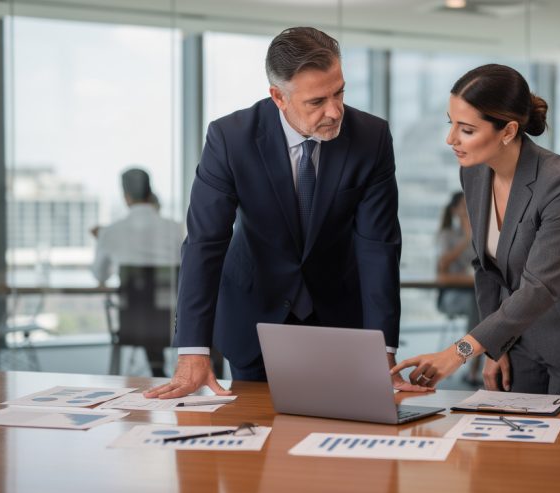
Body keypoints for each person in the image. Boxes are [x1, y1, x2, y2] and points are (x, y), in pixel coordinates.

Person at [146, 27, 428, 400]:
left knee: (341, 430)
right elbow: (205, 243)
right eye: (317, 101)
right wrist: (193, 349)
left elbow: (378, 247)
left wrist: (383, 350)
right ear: (279, 97)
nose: (335, 111)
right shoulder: (231, 138)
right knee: (253, 429)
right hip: (253, 316)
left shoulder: (370, 137)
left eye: (339, 93)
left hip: (339, 318)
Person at [392, 64, 560, 397]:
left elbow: (540, 286)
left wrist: (459, 352)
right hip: (521, 335)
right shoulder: (474, 173)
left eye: (466, 129)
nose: (451, 139)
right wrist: (495, 345)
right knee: (514, 428)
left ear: (508, 131)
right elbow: (485, 267)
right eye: (451, 123)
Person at [91, 167, 183, 285]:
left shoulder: (109, 232)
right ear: (150, 194)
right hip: (172, 297)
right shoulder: (179, 229)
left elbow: (100, 275)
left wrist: (101, 239)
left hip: (131, 297)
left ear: (126, 197)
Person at [435, 192, 481, 386]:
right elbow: (442, 267)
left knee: (486, 301)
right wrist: (466, 239)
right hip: (451, 296)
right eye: (463, 205)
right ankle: (472, 366)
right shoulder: (447, 235)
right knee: (478, 303)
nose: (468, 208)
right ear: (454, 210)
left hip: (474, 290)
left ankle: (480, 365)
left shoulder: (479, 234)